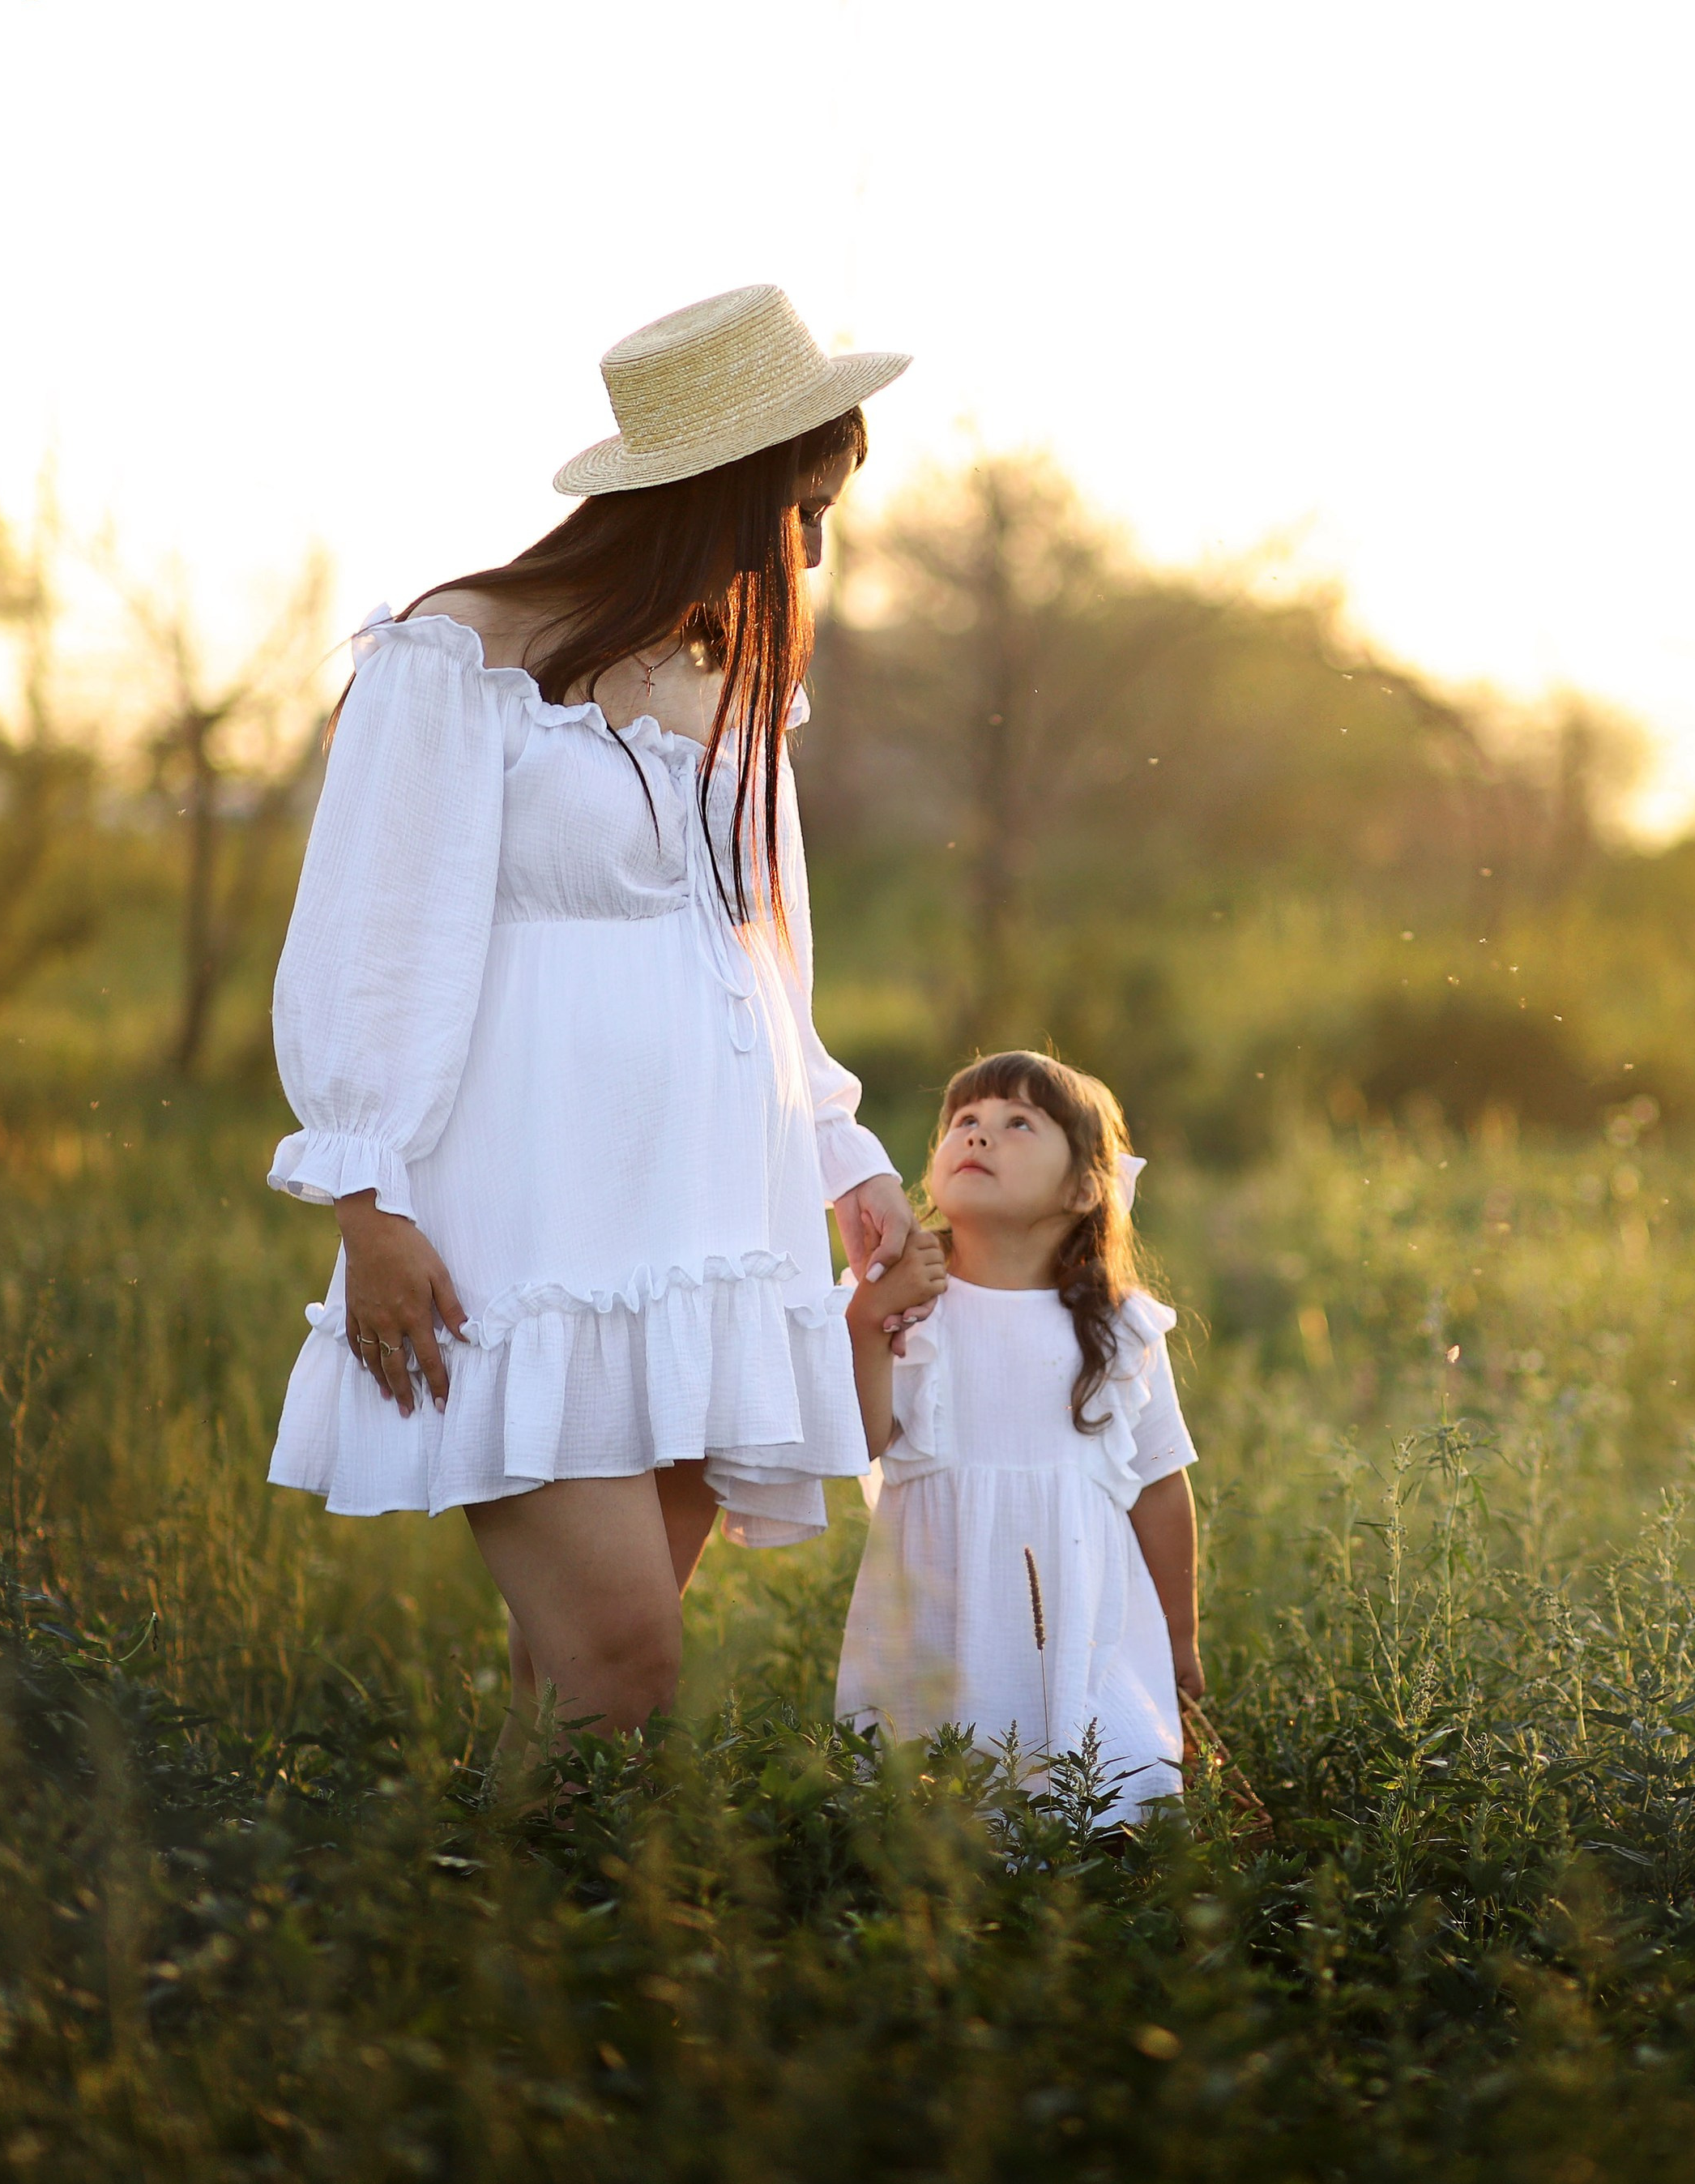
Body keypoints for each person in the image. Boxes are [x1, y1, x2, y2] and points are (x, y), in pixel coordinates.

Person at [263, 286, 929, 1766]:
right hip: (535, 1221)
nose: (812, 552)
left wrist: (841, 1149)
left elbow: (764, 951)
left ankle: (520, 1954)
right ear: (718, 495)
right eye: (799, 512)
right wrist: (363, 1198)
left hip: (706, 1222)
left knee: (574, 1690)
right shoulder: (457, 656)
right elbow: (370, 939)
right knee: (625, 1660)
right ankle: (565, 1948)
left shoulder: (733, 679)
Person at [833, 1051, 1203, 1823]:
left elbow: (1163, 1486)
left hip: (1081, 1616)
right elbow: (860, 1438)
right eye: (963, 1120)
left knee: (1091, 1799)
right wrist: (868, 1324)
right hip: (934, 1609)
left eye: (1017, 1123)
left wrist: (1180, 1638)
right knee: (932, 1802)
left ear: (1084, 1188)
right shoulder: (906, 1302)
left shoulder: (1118, 1324)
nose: (978, 1134)